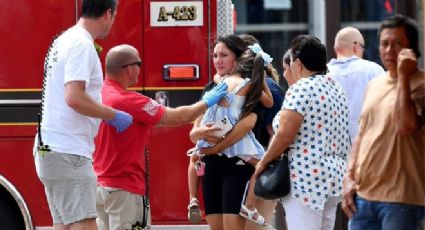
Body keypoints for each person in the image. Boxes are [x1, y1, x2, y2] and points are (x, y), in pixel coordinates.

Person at [93, 44, 227, 230]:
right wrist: (206, 102)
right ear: (129, 68)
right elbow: (178, 117)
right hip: (125, 189)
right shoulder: (130, 101)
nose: (140, 68)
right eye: (139, 63)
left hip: (100, 187)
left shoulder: (96, 94)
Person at [33, 1, 134, 229]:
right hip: (69, 150)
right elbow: (74, 97)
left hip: (49, 147)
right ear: (108, 14)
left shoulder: (63, 40)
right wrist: (111, 114)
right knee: (86, 223)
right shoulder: (81, 44)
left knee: (65, 224)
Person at [254, 35, 350, 230]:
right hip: (333, 177)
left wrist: (263, 164)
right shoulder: (335, 87)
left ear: (298, 63)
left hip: (307, 178)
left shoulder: (302, 88)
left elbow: (285, 135)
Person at [342, 15, 425, 230]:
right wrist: (349, 178)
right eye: (384, 43)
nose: (389, 50)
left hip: (402, 198)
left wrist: (404, 77)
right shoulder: (375, 84)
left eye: (398, 44)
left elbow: (405, 125)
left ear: (412, 48)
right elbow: (362, 134)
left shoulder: (421, 84)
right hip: (364, 195)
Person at [327, 27, 385, 141]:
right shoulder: (374, 70)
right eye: (362, 47)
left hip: (332, 148)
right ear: (356, 46)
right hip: (368, 144)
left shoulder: (322, 74)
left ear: (336, 49)